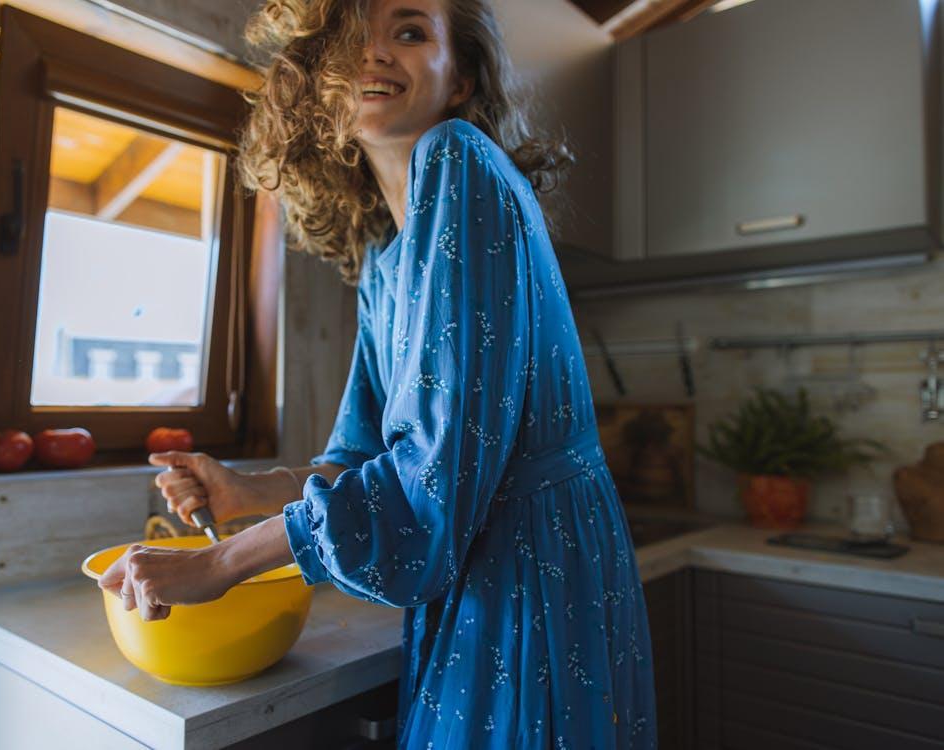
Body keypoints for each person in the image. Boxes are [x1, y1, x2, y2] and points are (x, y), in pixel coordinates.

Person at [98, 0, 658, 746]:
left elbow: (430, 477)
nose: (372, 54)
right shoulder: (383, 261)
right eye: (347, 39)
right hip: (473, 578)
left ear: (458, 81)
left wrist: (222, 562)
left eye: (409, 31)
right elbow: (365, 459)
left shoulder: (458, 158)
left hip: (533, 571)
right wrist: (250, 492)